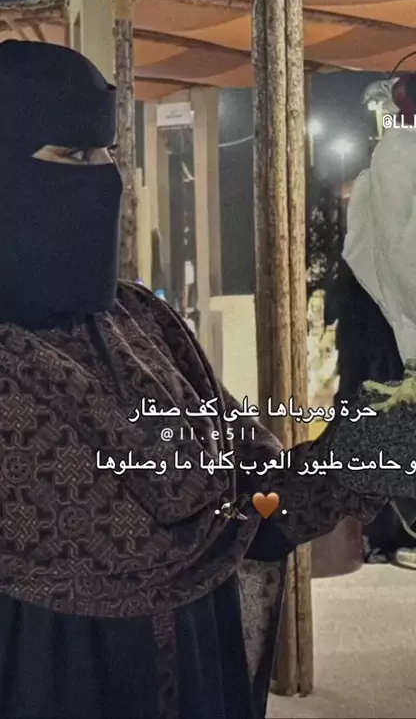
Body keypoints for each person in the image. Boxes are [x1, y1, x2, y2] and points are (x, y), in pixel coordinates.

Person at [0, 40, 386, 719]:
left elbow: (253, 497)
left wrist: (379, 450)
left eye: (107, 154)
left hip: (199, 673)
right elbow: (129, 540)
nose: (106, 181)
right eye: (73, 157)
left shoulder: (143, 321)